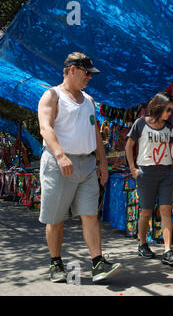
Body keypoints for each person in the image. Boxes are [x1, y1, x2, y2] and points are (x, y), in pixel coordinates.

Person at [38, 52, 122, 283]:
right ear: (72, 70)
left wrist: (103, 163)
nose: (89, 78)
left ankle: (98, 263)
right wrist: (60, 155)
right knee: (55, 218)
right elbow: (46, 128)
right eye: (87, 73)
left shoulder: (89, 101)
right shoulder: (52, 96)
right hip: (59, 164)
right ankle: (56, 263)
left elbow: (95, 134)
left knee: (90, 214)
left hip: (86, 165)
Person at [125, 92, 173, 266]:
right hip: (146, 173)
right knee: (146, 212)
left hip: (165, 174)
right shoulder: (140, 123)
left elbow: (172, 148)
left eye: (171, 110)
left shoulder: (169, 126)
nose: (170, 113)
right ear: (159, 107)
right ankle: (142, 244)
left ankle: (167, 250)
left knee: (166, 210)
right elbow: (129, 146)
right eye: (168, 109)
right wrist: (133, 168)